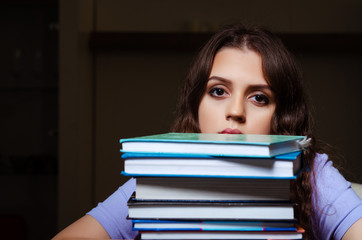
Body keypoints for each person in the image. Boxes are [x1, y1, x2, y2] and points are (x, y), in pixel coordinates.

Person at [52, 23, 362, 240]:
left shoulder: (310, 173)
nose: (236, 111)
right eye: (218, 92)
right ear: (196, 106)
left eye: (259, 97)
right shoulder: (159, 175)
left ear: (280, 116)